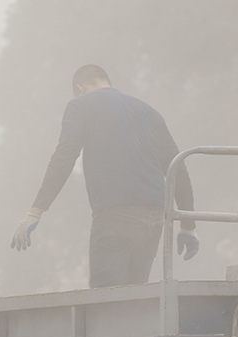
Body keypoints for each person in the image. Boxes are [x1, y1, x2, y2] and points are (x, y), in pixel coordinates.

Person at [11, 64, 200, 287]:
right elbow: (178, 169)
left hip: (116, 215)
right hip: (154, 217)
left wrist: (35, 212)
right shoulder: (149, 112)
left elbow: (63, 159)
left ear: (80, 88)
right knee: (134, 299)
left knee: (107, 303)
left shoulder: (80, 105)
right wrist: (188, 226)